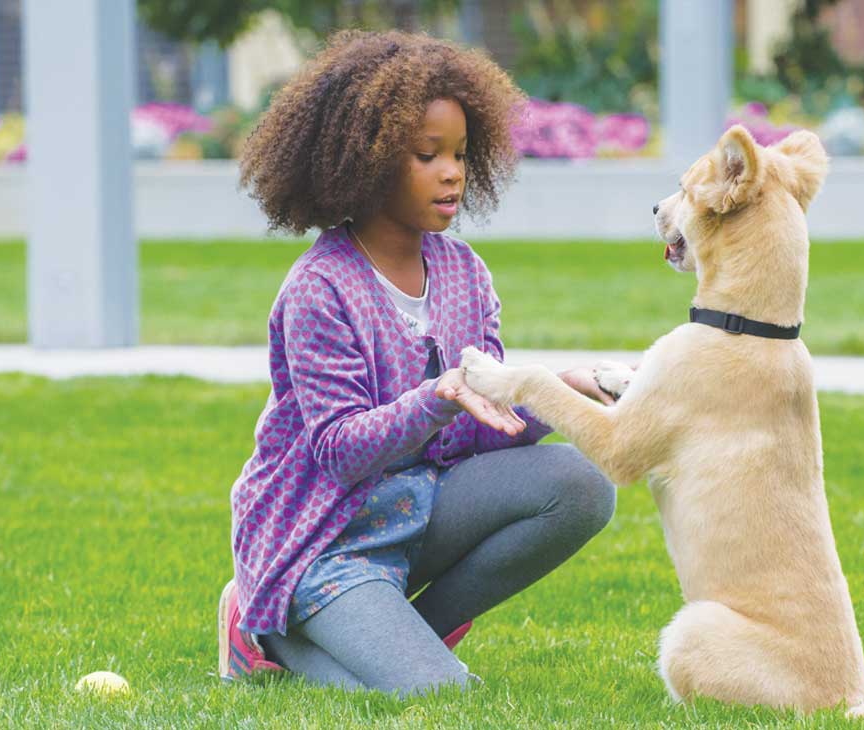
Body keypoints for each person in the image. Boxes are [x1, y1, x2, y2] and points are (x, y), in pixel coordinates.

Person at [217, 30, 616, 696]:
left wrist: (556, 393)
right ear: (364, 162)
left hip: (416, 509)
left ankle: (400, 635)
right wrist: (436, 395)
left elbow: (479, 430)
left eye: (460, 153)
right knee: (440, 694)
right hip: (323, 540)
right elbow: (341, 452)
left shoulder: (464, 272)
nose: (453, 172)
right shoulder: (319, 289)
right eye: (427, 155)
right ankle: (261, 630)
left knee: (581, 484)